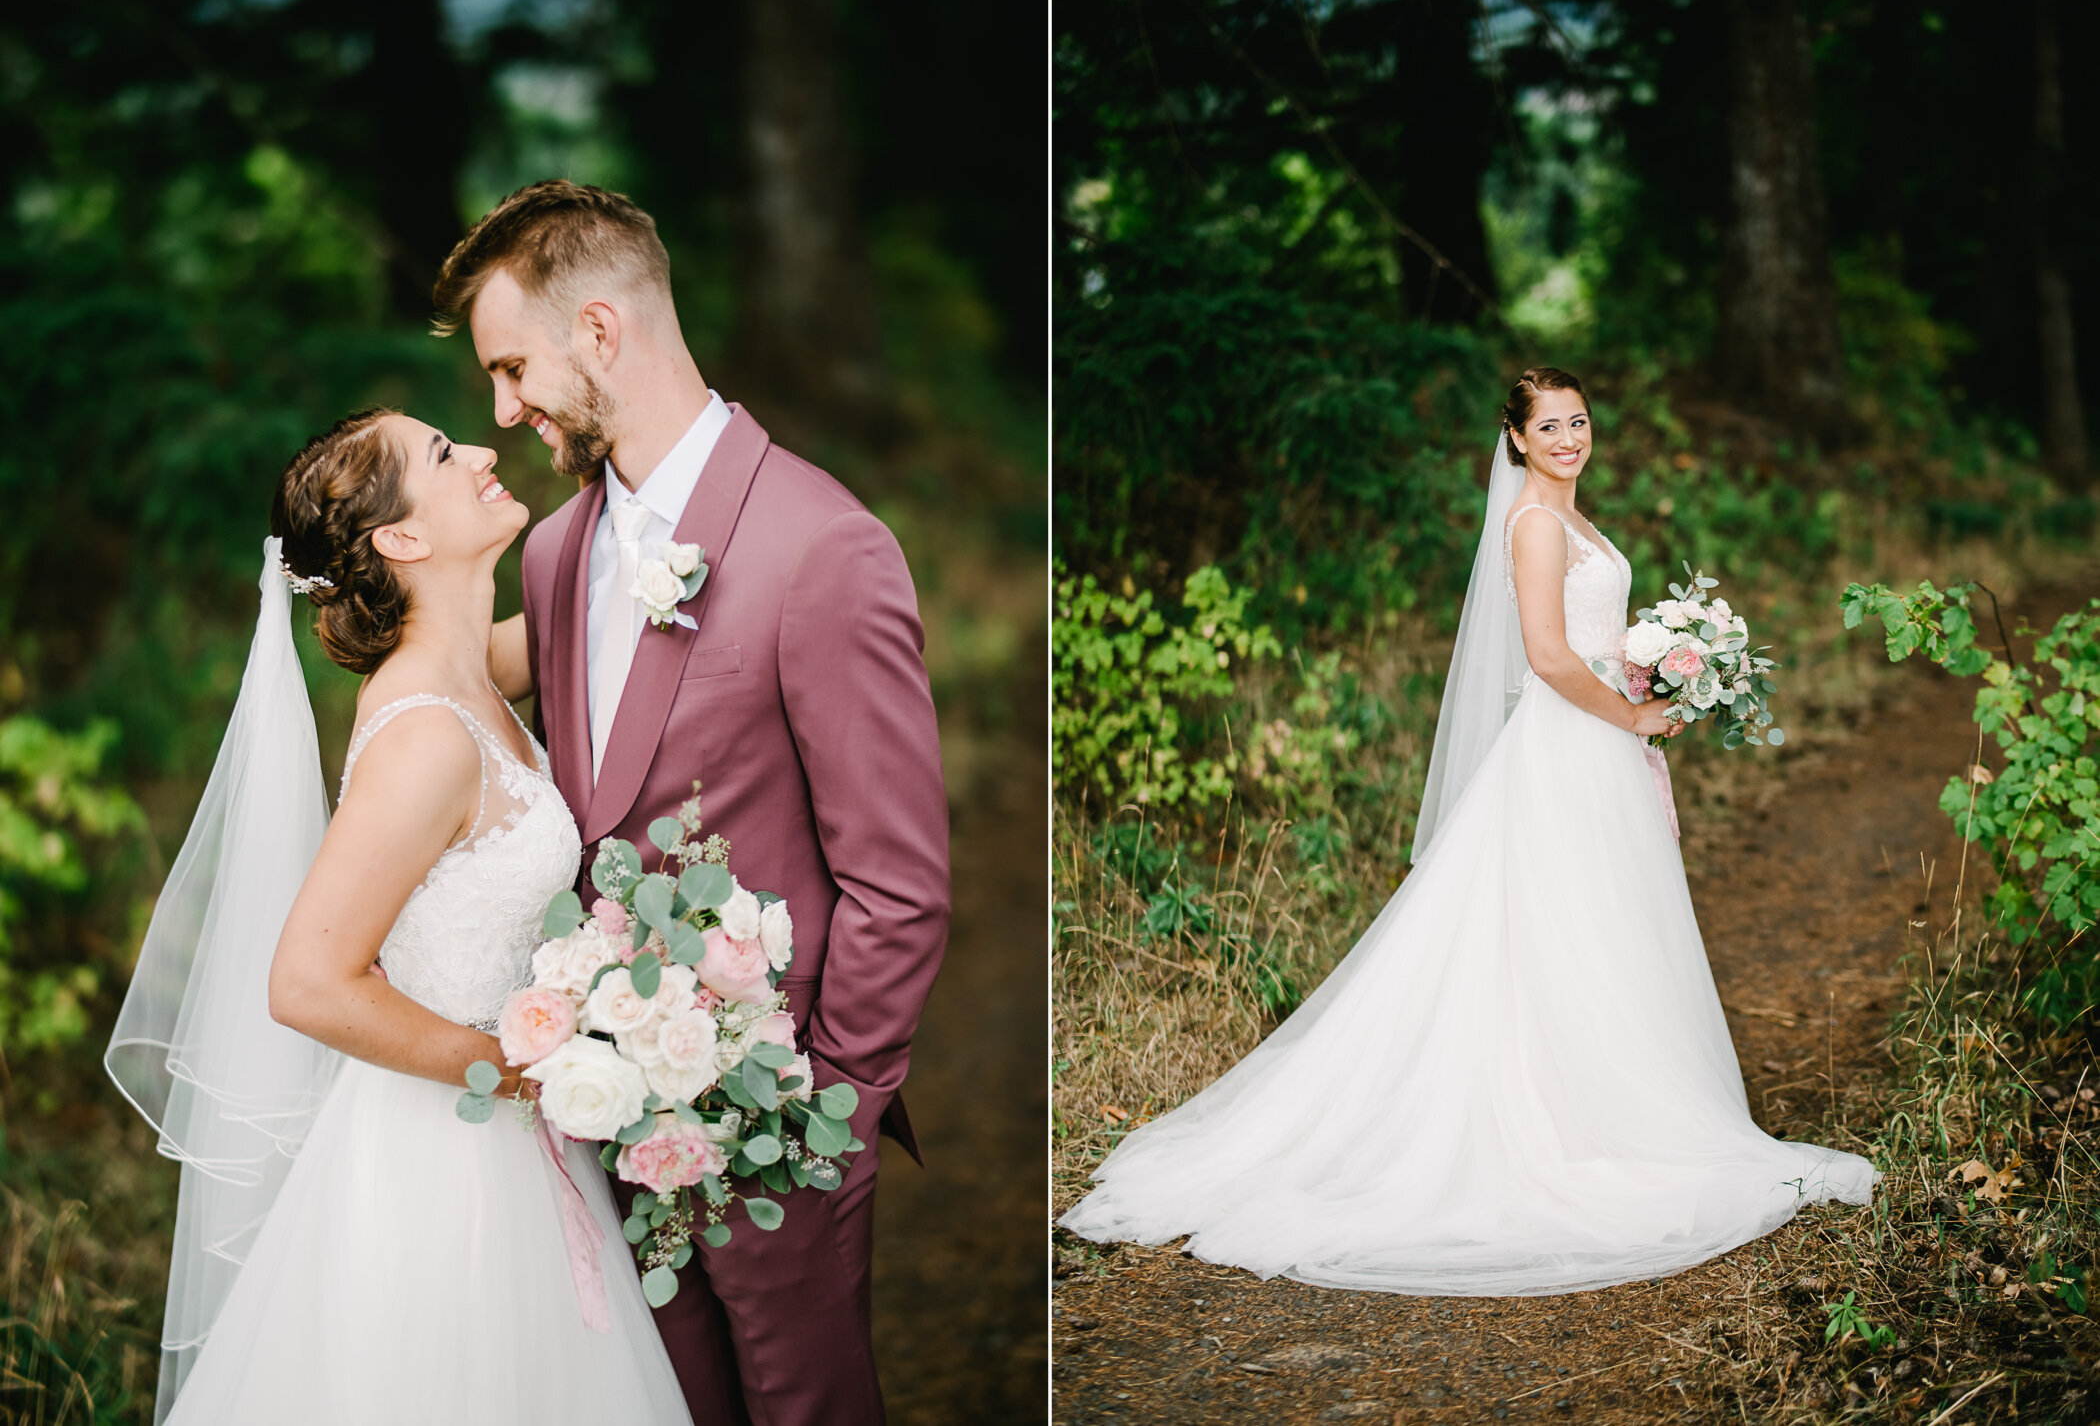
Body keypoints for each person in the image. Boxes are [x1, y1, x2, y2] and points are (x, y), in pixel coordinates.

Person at [1059, 367, 1876, 1294]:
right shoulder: (1532, 525)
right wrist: (1633, 714)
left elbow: (1593, 641)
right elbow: (1546, 656)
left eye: (1580, 422)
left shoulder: (1577, 523)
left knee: (1603, 932)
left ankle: (1607, 1104)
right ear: (1517, 440)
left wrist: (1658, 673)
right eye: (1550, 427)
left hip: (1597, 745)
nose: (1569, 438)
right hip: (1566, 750)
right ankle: (1552, 1126)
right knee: (1554, 926)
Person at [436, 179, 950, 1426]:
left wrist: (823, 1118)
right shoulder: (556, 555)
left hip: (780, 1127)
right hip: (609, 1118)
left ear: (601, 333)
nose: (504, 412)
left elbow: (898, 882)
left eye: (513, 369)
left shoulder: (821, 545)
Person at [107, 411, 693, 1422]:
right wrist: (519, 1066)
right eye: (442, 454)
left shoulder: (475, 673)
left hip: (515, 1140)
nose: (482, 453)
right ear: (401, 540)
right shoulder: (426, 734)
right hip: (445, 1169)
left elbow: (591, 624)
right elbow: (306, 983)